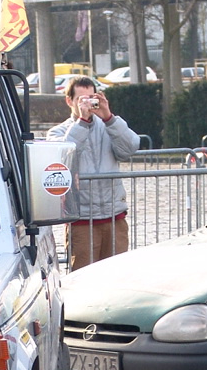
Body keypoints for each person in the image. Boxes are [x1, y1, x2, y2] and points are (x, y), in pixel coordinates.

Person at [48, 76, 140, 271]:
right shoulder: (59, 132)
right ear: (69, 101)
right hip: (81, 220)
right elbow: (63, 156)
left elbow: (130, 147)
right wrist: (82, 122)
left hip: (114, 217)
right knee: (83, 276)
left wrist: (108, 117)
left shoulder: (109, 126)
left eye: (91, 97)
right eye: (82, 99)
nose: (88, 103)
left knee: (118, 276)